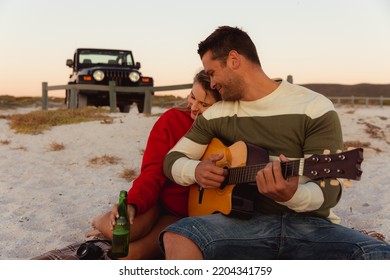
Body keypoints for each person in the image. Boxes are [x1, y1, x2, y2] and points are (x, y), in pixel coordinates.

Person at [160, 26, 390, 259]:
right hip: (240, 225)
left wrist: (291, 195)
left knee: (376, 254)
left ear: (233, 60)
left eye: (212, 73)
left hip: (310, 227)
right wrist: (196, 170)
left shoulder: (313, 107)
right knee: (179, 235)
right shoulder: (216, 114)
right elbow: (173, 159)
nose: (211, 84)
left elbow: (330, 189)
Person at [86, 69, 221, 259]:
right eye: (192, 97)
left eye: (204, 104)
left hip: (184, 214)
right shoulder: (171, 120)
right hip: (156, 201)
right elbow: (152, 172)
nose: (194, 107)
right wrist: (133, 203)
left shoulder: (226, 132)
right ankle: (99, 220)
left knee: (129, 256)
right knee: (124, 230)